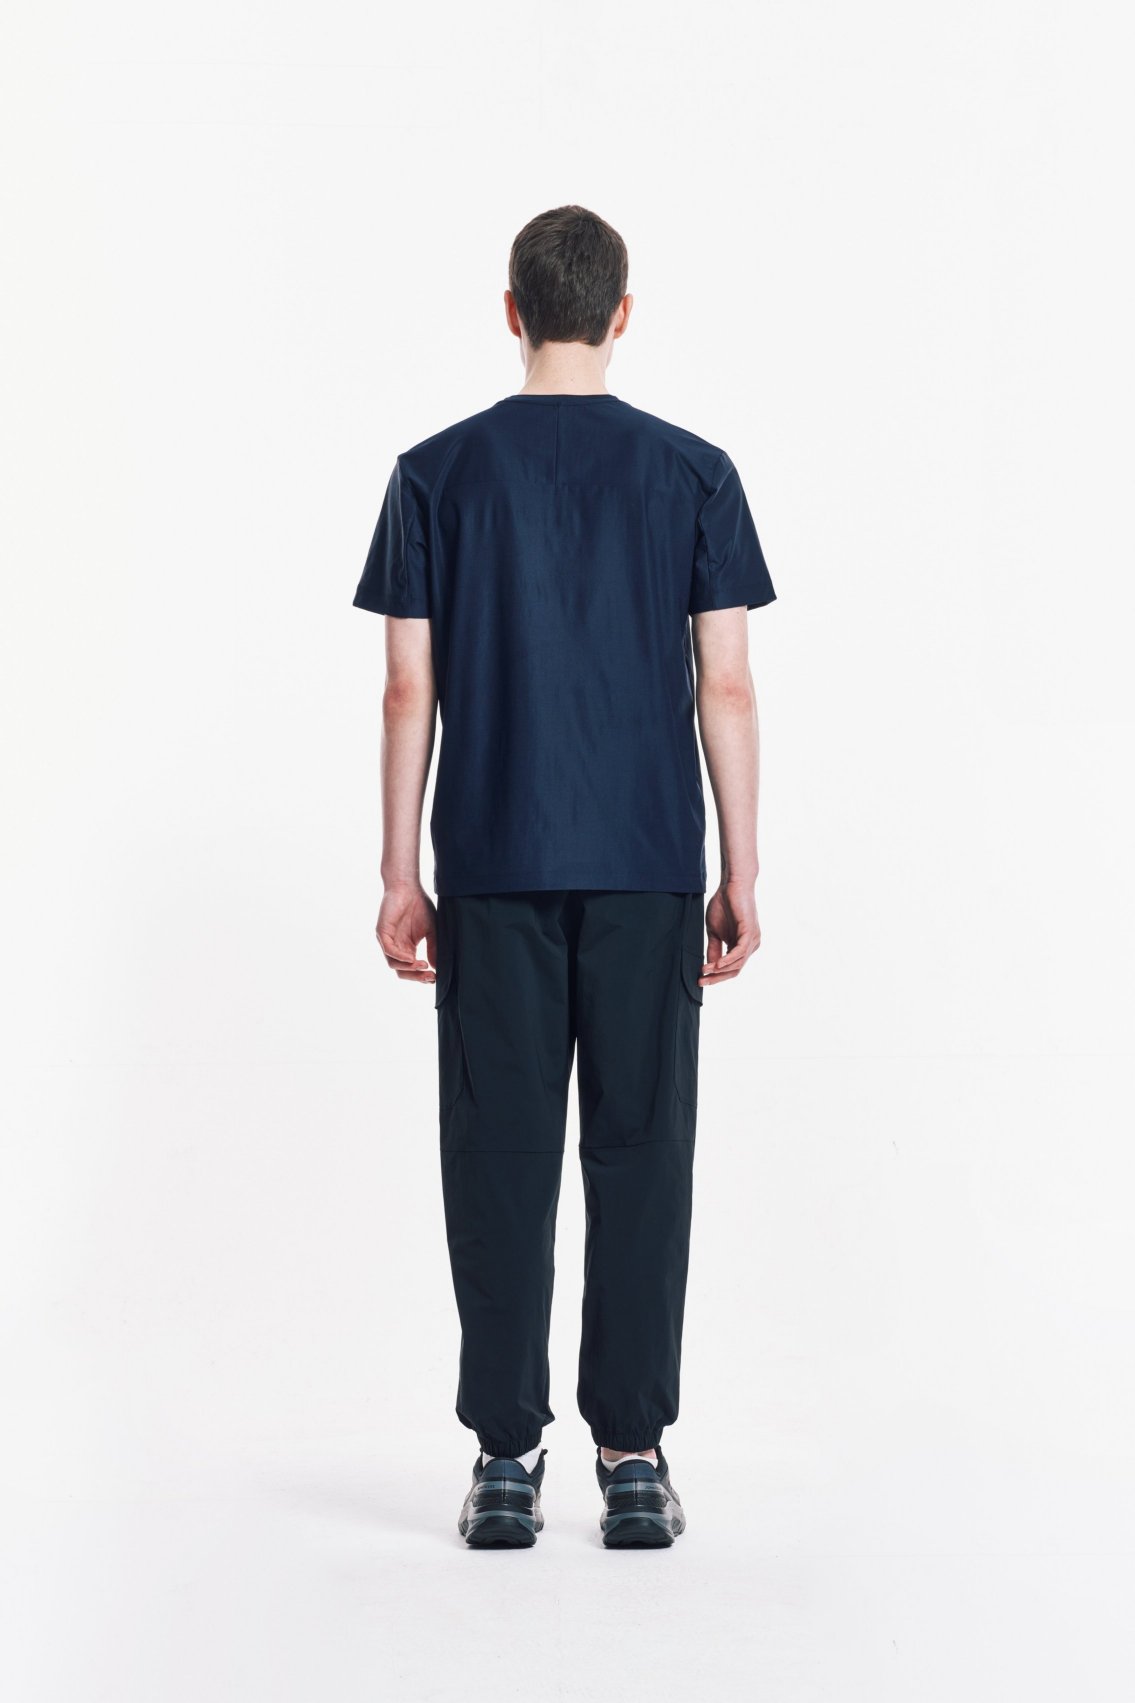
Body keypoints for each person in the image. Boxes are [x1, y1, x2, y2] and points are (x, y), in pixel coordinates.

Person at [352, 204, 776, 1549]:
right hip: (649, 865)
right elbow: (725, 684)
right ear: (622, 314)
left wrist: (398, 872)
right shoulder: (695, 473)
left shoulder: (435, 475)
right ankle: (634, 1461)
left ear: (513, 311)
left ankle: (504, 1461)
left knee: (500, 1156)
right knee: (643, 1153)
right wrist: (741, 866)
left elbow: (407, 687)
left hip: (492, 861)